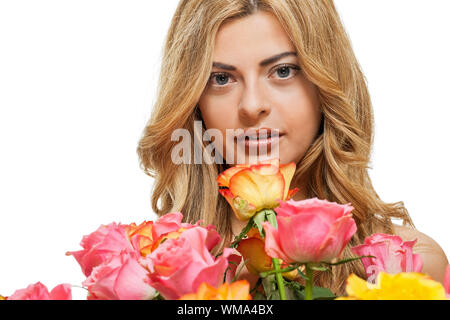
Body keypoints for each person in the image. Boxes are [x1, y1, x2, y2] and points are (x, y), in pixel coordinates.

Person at [136, 0, 448, 295]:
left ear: (326, 83)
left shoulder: (406, 266)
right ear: (193, 100)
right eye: (221, 78)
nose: (252, 105)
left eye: (283, 71)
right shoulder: (151, 269)